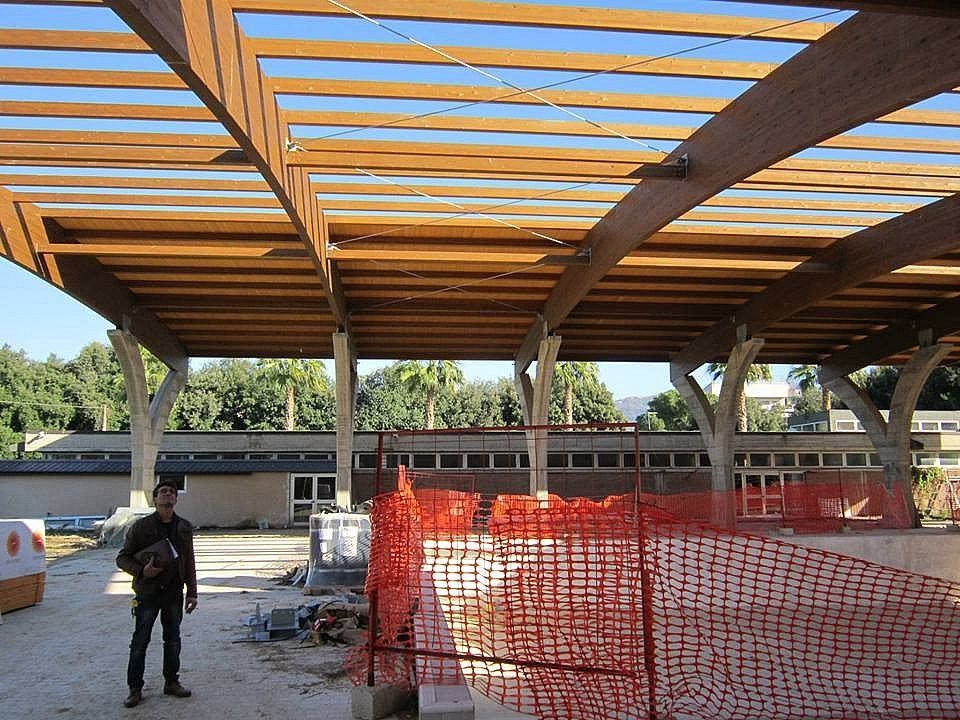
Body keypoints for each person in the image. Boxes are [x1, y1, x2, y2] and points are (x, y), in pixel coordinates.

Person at [116, 478, 198, 708]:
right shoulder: (141, 527)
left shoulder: (183, 527)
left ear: (176, 499)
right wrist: (142, 571)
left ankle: (171, 682)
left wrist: (192, 592)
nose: (168, 494)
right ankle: (135, 689)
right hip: (148, 592)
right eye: (163, 491)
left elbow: (189, 561)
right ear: (154, 498)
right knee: (140, 641)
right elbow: (122, 558)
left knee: (172, 640)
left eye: (172, 492)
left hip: (173, 593)